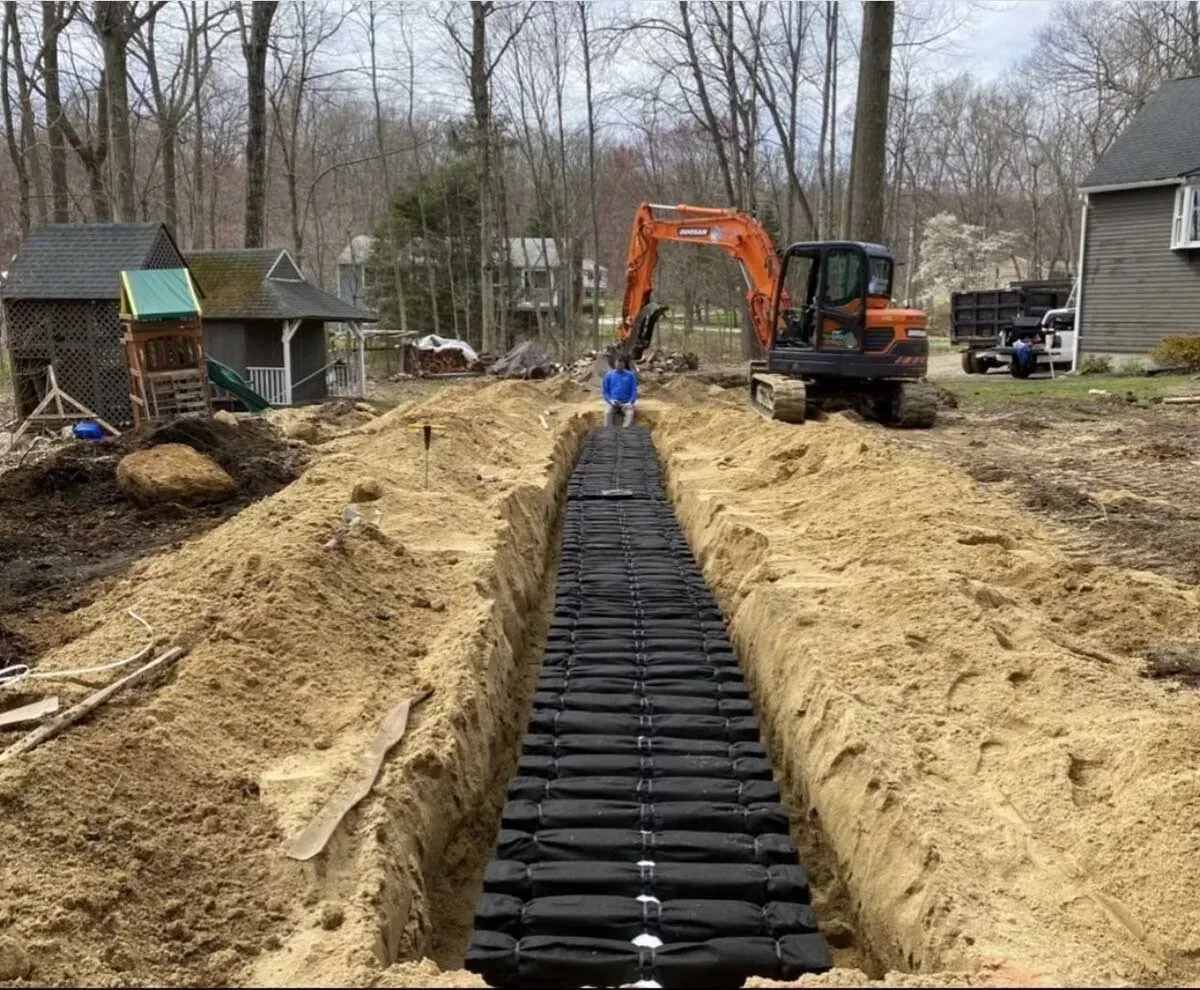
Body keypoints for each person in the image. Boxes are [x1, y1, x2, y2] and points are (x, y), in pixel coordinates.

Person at [602, 355, 638, 427]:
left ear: (624, 365)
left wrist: (630, 402)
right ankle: (608, 432)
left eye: (621, 365)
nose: (619, 367)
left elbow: (634, 391)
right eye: (618, 365)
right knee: (607, 413)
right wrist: (610, 400)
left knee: (630, 414)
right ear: (615, 364)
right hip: (613, 402)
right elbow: (605, 392)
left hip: (626, 402)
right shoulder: (608, 375)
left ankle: (625, 432)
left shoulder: (630, 375)